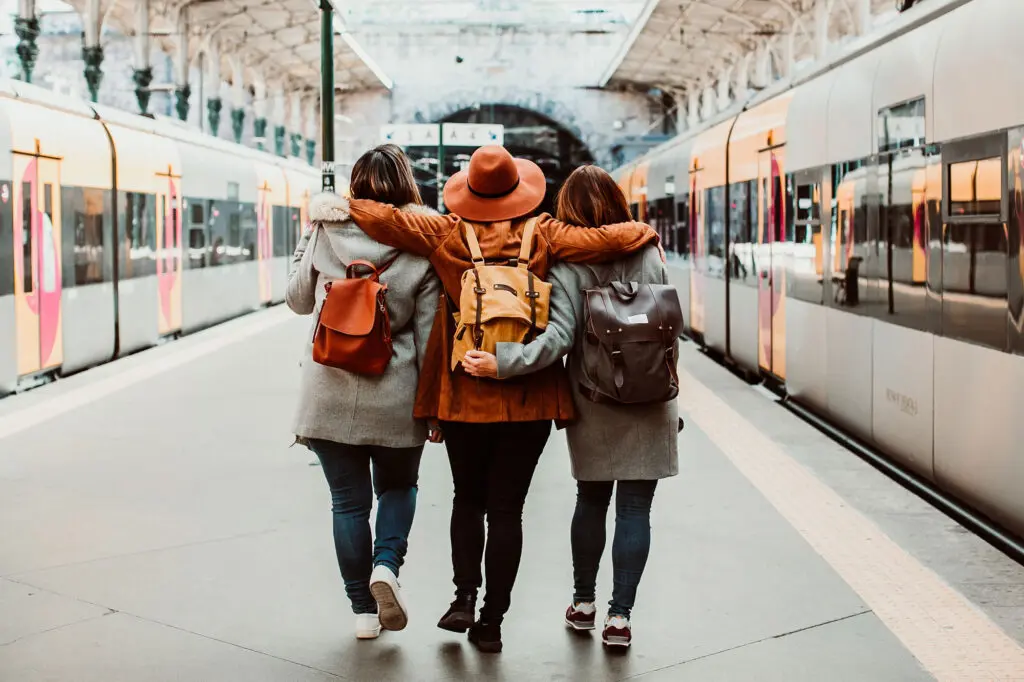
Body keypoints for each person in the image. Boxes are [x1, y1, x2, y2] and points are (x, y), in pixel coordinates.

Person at [321, 145, 661, 653]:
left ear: (470, 192)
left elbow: (388, 220)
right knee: (507, 511)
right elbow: (600, 240)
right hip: (531, 396)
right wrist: (641, 231)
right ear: (519, 189)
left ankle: (463, 597)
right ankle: (492, 621)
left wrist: (341, 205)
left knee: (467, 500)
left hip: (466, 389)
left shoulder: (445, 232)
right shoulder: (545, 232)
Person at [462, 165, 679, 649]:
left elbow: (558, 338)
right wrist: (666, 388)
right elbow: (668, 327)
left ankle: (584, 605)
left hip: (595, 398)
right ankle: (620, 619)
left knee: (592, 500)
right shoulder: (649, 250)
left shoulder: (567, 263)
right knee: (636, 509)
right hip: (651, 398)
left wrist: (502, 362)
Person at [286, 144, 441, 641]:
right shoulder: (422, 240)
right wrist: (433, 407)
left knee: (347, 505)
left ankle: (363, 613)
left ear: (354, 185)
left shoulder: (325, 228)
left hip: (328, 390)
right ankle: (387, 566)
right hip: (396, 391)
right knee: (398, 488)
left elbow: (297, 300)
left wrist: (308, 243)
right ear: (407, 185)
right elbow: (428, 335)